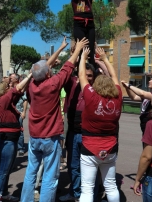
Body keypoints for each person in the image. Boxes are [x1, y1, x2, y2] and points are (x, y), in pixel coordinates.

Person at [21, 37, 89, 202]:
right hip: (50, 138)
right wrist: (78, 49)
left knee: (31, 172)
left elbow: (43, 68)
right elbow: (67, 67)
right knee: (50, 175)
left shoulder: (31, 85)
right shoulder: (52, 84)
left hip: (35, 138)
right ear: (48, 73)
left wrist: (60, 48)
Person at [78, 47, 122, 202]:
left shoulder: (91, 97)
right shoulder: (118, 97)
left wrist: (82, 57)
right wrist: (104, 58)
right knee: (111, 185)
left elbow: (82, 75)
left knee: (87, 189)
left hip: (90, 146)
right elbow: (115, 75)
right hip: (110, 147)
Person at [0, 73, 32, 202]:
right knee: (2, 171)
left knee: (7, 170)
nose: (10, 86)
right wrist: (31, 73)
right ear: (2, 91)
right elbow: (17, 89)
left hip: (11, 139)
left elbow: (21, 91)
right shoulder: (3, 99)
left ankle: (3, 194)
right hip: (7, 140)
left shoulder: (9, 102)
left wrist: (30, 79)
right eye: (7, 86)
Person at [59, 62, 96, 202]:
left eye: (90, 76)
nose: (87, 78)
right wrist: (74, 59)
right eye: (84, 75)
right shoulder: (72, 83)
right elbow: (64, 74)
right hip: (73, 133)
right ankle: (75, 193)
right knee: (73, 165)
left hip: (89, 134)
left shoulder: (96, 88)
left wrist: (100, 60)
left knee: (88, 167)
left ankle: (86, 194)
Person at [71, 0, 98, 67]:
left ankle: (92, 70)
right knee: (82, 49)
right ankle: (79, 70)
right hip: (79, 25)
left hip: (90, 25)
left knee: (90, 50)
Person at [10, 73, 28, 156]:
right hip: (10, 113)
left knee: (19, 130)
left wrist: (24, 112)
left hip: (19, 112)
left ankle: (20, 148)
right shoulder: (10, 88)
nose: (10, 79)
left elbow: (25, 100)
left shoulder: (20, 88)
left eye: (12, 78)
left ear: (16, 79)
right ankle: (12, 146)